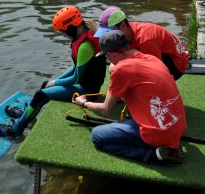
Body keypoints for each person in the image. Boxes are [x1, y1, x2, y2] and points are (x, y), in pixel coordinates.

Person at [0, 6, 106, 138]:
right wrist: (53, 82)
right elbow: (75, 68)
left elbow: (75, 79)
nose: (64, 35)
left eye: (64, 31)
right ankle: (28, 113)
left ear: (72, 27)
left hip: (87, 92)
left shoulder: (85, 46)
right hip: (85, 85)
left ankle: (15, 129)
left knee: (41, 95)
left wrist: (56, 82)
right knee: (45, 85)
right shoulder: (85, 35)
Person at [75, 30, 187, 164]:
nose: (107, 59)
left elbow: (106, 109)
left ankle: (154, 154)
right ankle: (167, 146)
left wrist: (83, 103)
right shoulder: (151, 58)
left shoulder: (121, 69)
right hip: (178, 126)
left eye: (106, 56)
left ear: (112, 54)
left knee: (97, 135)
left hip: (156, 133)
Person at [94, 7, 189, 81]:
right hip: (157, 54)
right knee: (114, 67)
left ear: (123, 25)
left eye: (109, 32)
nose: (107, 36)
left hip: (176, 63)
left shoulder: (146, 39)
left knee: (145, 74)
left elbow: (157, 72)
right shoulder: (127, 32)